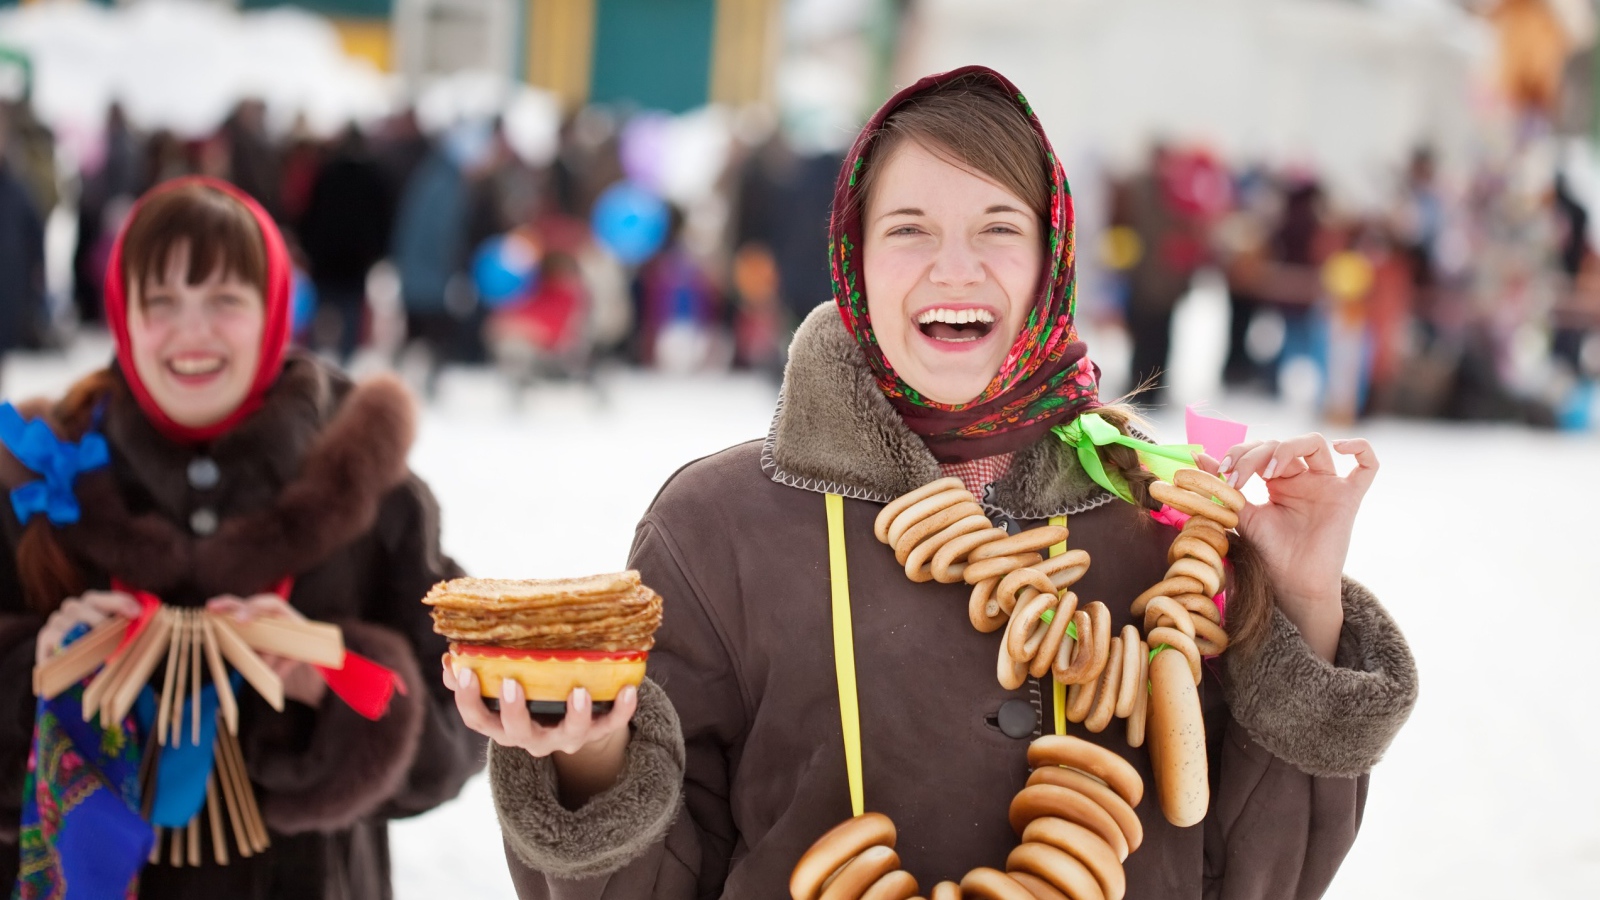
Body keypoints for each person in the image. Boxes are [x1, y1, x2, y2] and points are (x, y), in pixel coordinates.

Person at [453, 68, 1417, 898]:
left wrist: (1299, 596)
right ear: (854, 261)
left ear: (1051, 261)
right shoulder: (719, 529)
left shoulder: (1165, 528)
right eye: (909, 228)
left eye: (999, 226)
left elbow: (1261, 877)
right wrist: (581, 757)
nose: (954, 269)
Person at [0, 177, 484, 897]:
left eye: (224, 300)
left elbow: (456, 736)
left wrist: (331, 678)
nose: (192, 333)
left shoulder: (372, 489)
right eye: (161, 303)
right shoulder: (37, 480)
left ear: (275, 312)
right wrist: (34, 668)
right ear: (124, 317)